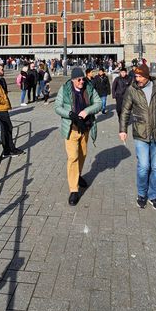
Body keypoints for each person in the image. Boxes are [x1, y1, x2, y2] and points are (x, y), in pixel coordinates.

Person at [118, 63, 156, 211]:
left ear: (146, 76)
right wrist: (122, 129)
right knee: (144, 166)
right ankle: (141, 194)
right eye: (136, 76)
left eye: (139, 76)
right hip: (140, 132)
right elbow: (125, 111)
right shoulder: (132, 90)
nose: (136, 79)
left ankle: (153, 196)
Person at [54, 66, 100, 206]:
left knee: (83, 154)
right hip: (71, 129)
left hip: (85, 128)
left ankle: (78, 175)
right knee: (73, 157)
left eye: (83, 79)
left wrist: (87, 111)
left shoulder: (89, 88)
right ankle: (74, 190)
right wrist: (69, 114)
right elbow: (57, 107)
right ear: (73, 80)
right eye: (79, 79)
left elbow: (98, 103)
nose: (82, 81)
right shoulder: (65, 89)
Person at [0, 63, 24, 157]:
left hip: (1, 108)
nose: (3, 71)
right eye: (2, 69)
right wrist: (3, 101)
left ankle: (10, 149)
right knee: (7, 128)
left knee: (7, 128)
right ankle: (8, 150)